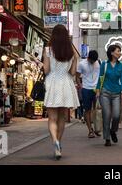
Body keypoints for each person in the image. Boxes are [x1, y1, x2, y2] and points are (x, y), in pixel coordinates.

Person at [43, 25, 80, 160]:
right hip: (66, 84)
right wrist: (75, 59)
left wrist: (45, 64)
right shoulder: (70, 52)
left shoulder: (48, 50)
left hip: (52, 84)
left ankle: (55, 142)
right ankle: (58, 142)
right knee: (62, 118)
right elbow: (72, 73)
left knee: (52, 118)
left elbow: (46, 70)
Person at [96, 45, 122, 147]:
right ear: (112, 52)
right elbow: (100, 78)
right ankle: (107, 138)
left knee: (117, 115)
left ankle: (113, 130)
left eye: (120, 51)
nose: (120, 53)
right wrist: (97, 90)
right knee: (107, 115)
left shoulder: (121, 66)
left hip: (117, 93)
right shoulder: (104, 64)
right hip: (104, 92)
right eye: (118, 51)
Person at [76, 50, 100, 138]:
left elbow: (100, 75)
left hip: (96, 89)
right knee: (87, 110)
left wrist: (99, 88)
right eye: (91, 61)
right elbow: (77, 76)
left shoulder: (98, 63)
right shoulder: (82, 64)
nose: (93, 62)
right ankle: (90, 130)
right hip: (86, 89)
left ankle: (97, 128)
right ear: (88, 57)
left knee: (97, 109)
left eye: (94, 61)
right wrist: (80, 86)